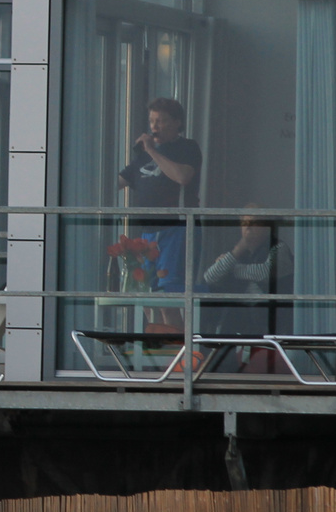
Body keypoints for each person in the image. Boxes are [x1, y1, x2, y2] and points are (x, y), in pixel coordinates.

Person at [117, 98, 202, 323]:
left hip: (176, 229)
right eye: (152, 121)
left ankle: (175, 353)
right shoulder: (142, 156)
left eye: (161, 121)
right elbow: (118, 181)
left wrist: (153, 152)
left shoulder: (187, 147)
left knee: (169, 299)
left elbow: (183, 177)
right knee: (147, 296)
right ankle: (155, 345)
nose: (155, 127)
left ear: (177, 122)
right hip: (147, 234)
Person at [202, 207, 294, 337]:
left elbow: (265, 272)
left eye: (254, 223)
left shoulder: (279, 248)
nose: (248, 228)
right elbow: (209, 277)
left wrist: (232, 268)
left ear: (266, 227)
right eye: (244, 223)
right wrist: (236, 252)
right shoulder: (235, 253)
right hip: (241, 315)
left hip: (272, 316)